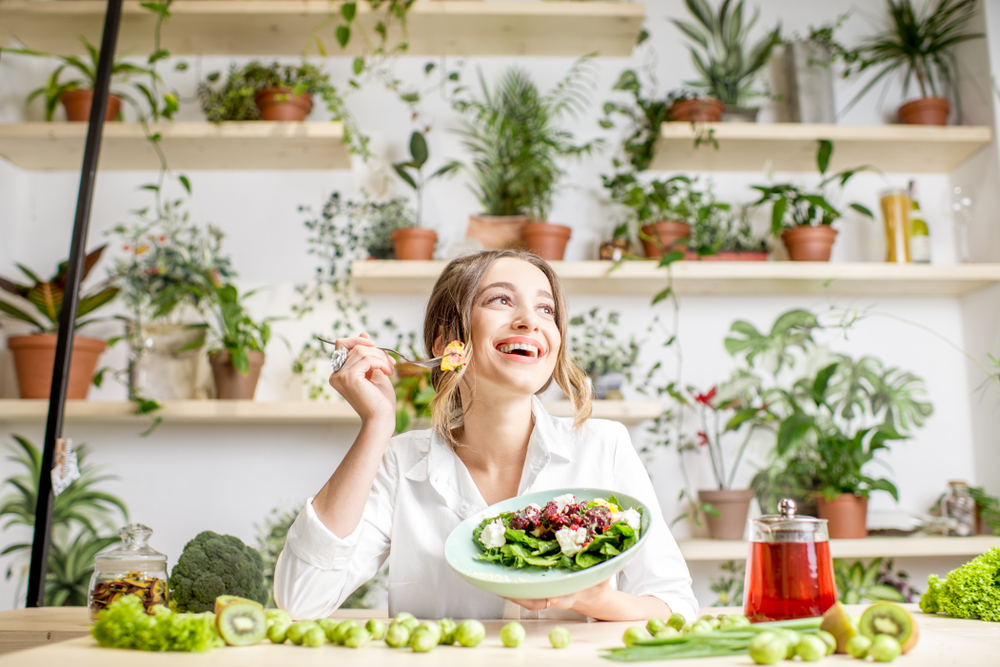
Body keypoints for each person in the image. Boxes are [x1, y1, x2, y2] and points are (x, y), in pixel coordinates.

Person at [274, 250, 698, 621]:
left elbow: (676, 605)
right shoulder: (400, 463)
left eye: (547, 310)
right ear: (448, 344)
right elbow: (301, 599)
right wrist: (377, 424)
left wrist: (594, 600)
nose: (531, 320)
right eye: (500, 299)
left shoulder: (605, 447)